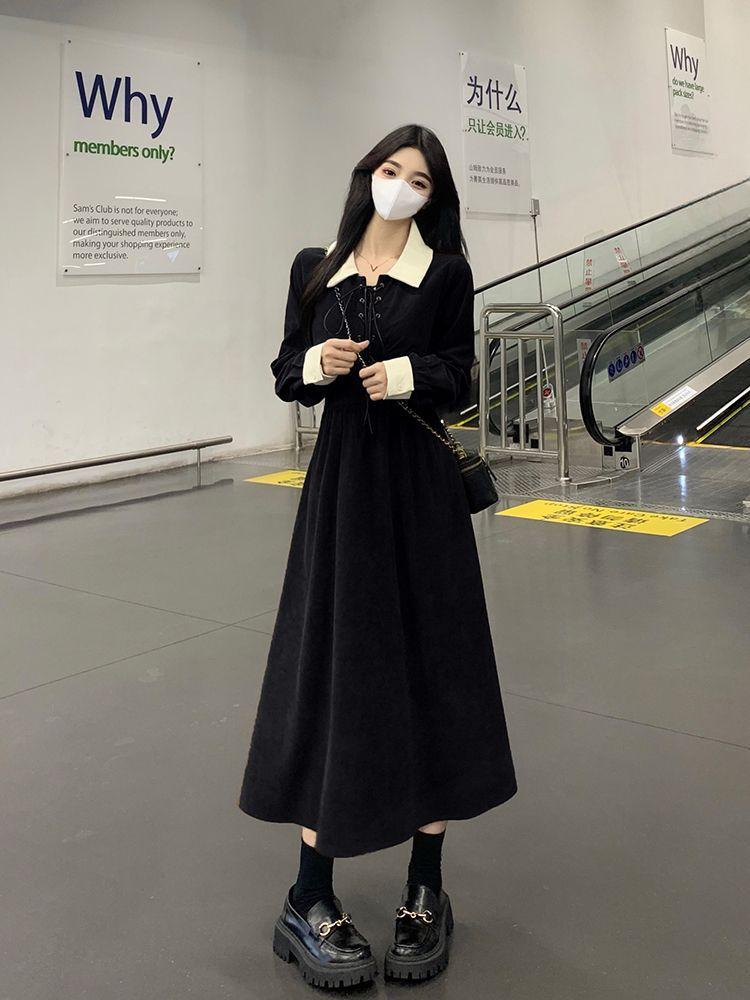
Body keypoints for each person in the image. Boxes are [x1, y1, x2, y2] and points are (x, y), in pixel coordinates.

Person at [238, 123, 517, 989]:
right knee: (336, 667)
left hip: (420, 495)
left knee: (435, 668)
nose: (401, 187)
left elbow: (462, 374)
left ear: (435, 197)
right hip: (343, 494)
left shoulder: (446, 271)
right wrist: (316, 363)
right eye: (392, 170)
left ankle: (425, 890)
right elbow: (285, 370)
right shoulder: (314, 266)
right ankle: (308, 895)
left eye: (419, 180)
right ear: (367, 175)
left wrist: (404, 375)